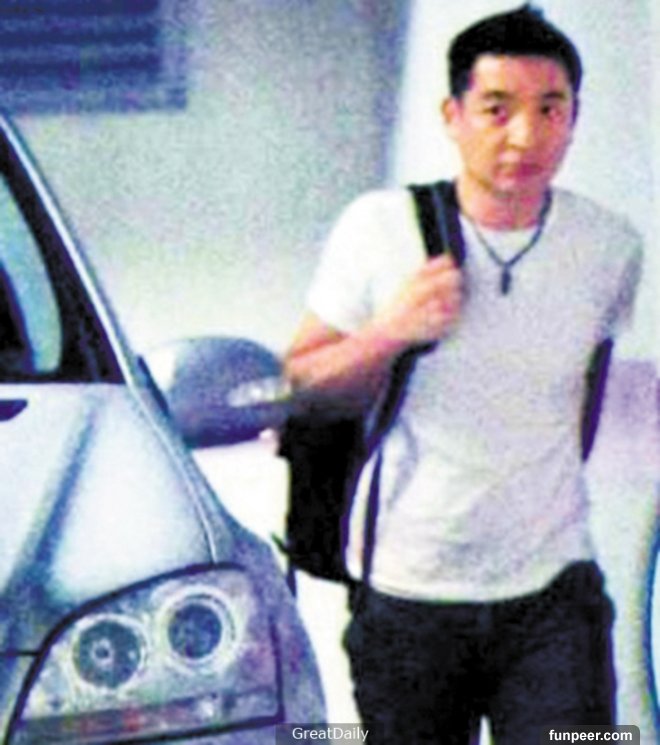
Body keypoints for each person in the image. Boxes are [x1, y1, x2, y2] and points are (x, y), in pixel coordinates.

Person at [284, 5, 643, 744]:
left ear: (575, 119)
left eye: (551, 110)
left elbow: (582, 402)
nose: (526, 136)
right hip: (406, 599)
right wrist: (391, 332)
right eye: (497, 109)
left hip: (557, 596)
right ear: (453, 116)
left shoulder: (611, 247)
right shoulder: (377, 228)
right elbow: (301, 387)